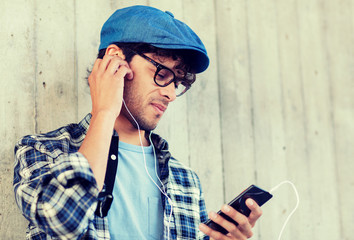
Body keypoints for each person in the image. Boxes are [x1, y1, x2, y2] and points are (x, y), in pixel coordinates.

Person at [13, 5, 262, 240]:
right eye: (162, 74)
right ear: (115, 60)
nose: (171, 95)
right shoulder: (44, 150)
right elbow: (62, 219)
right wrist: (104, 112)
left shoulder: (186, 180)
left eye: (177, 83)